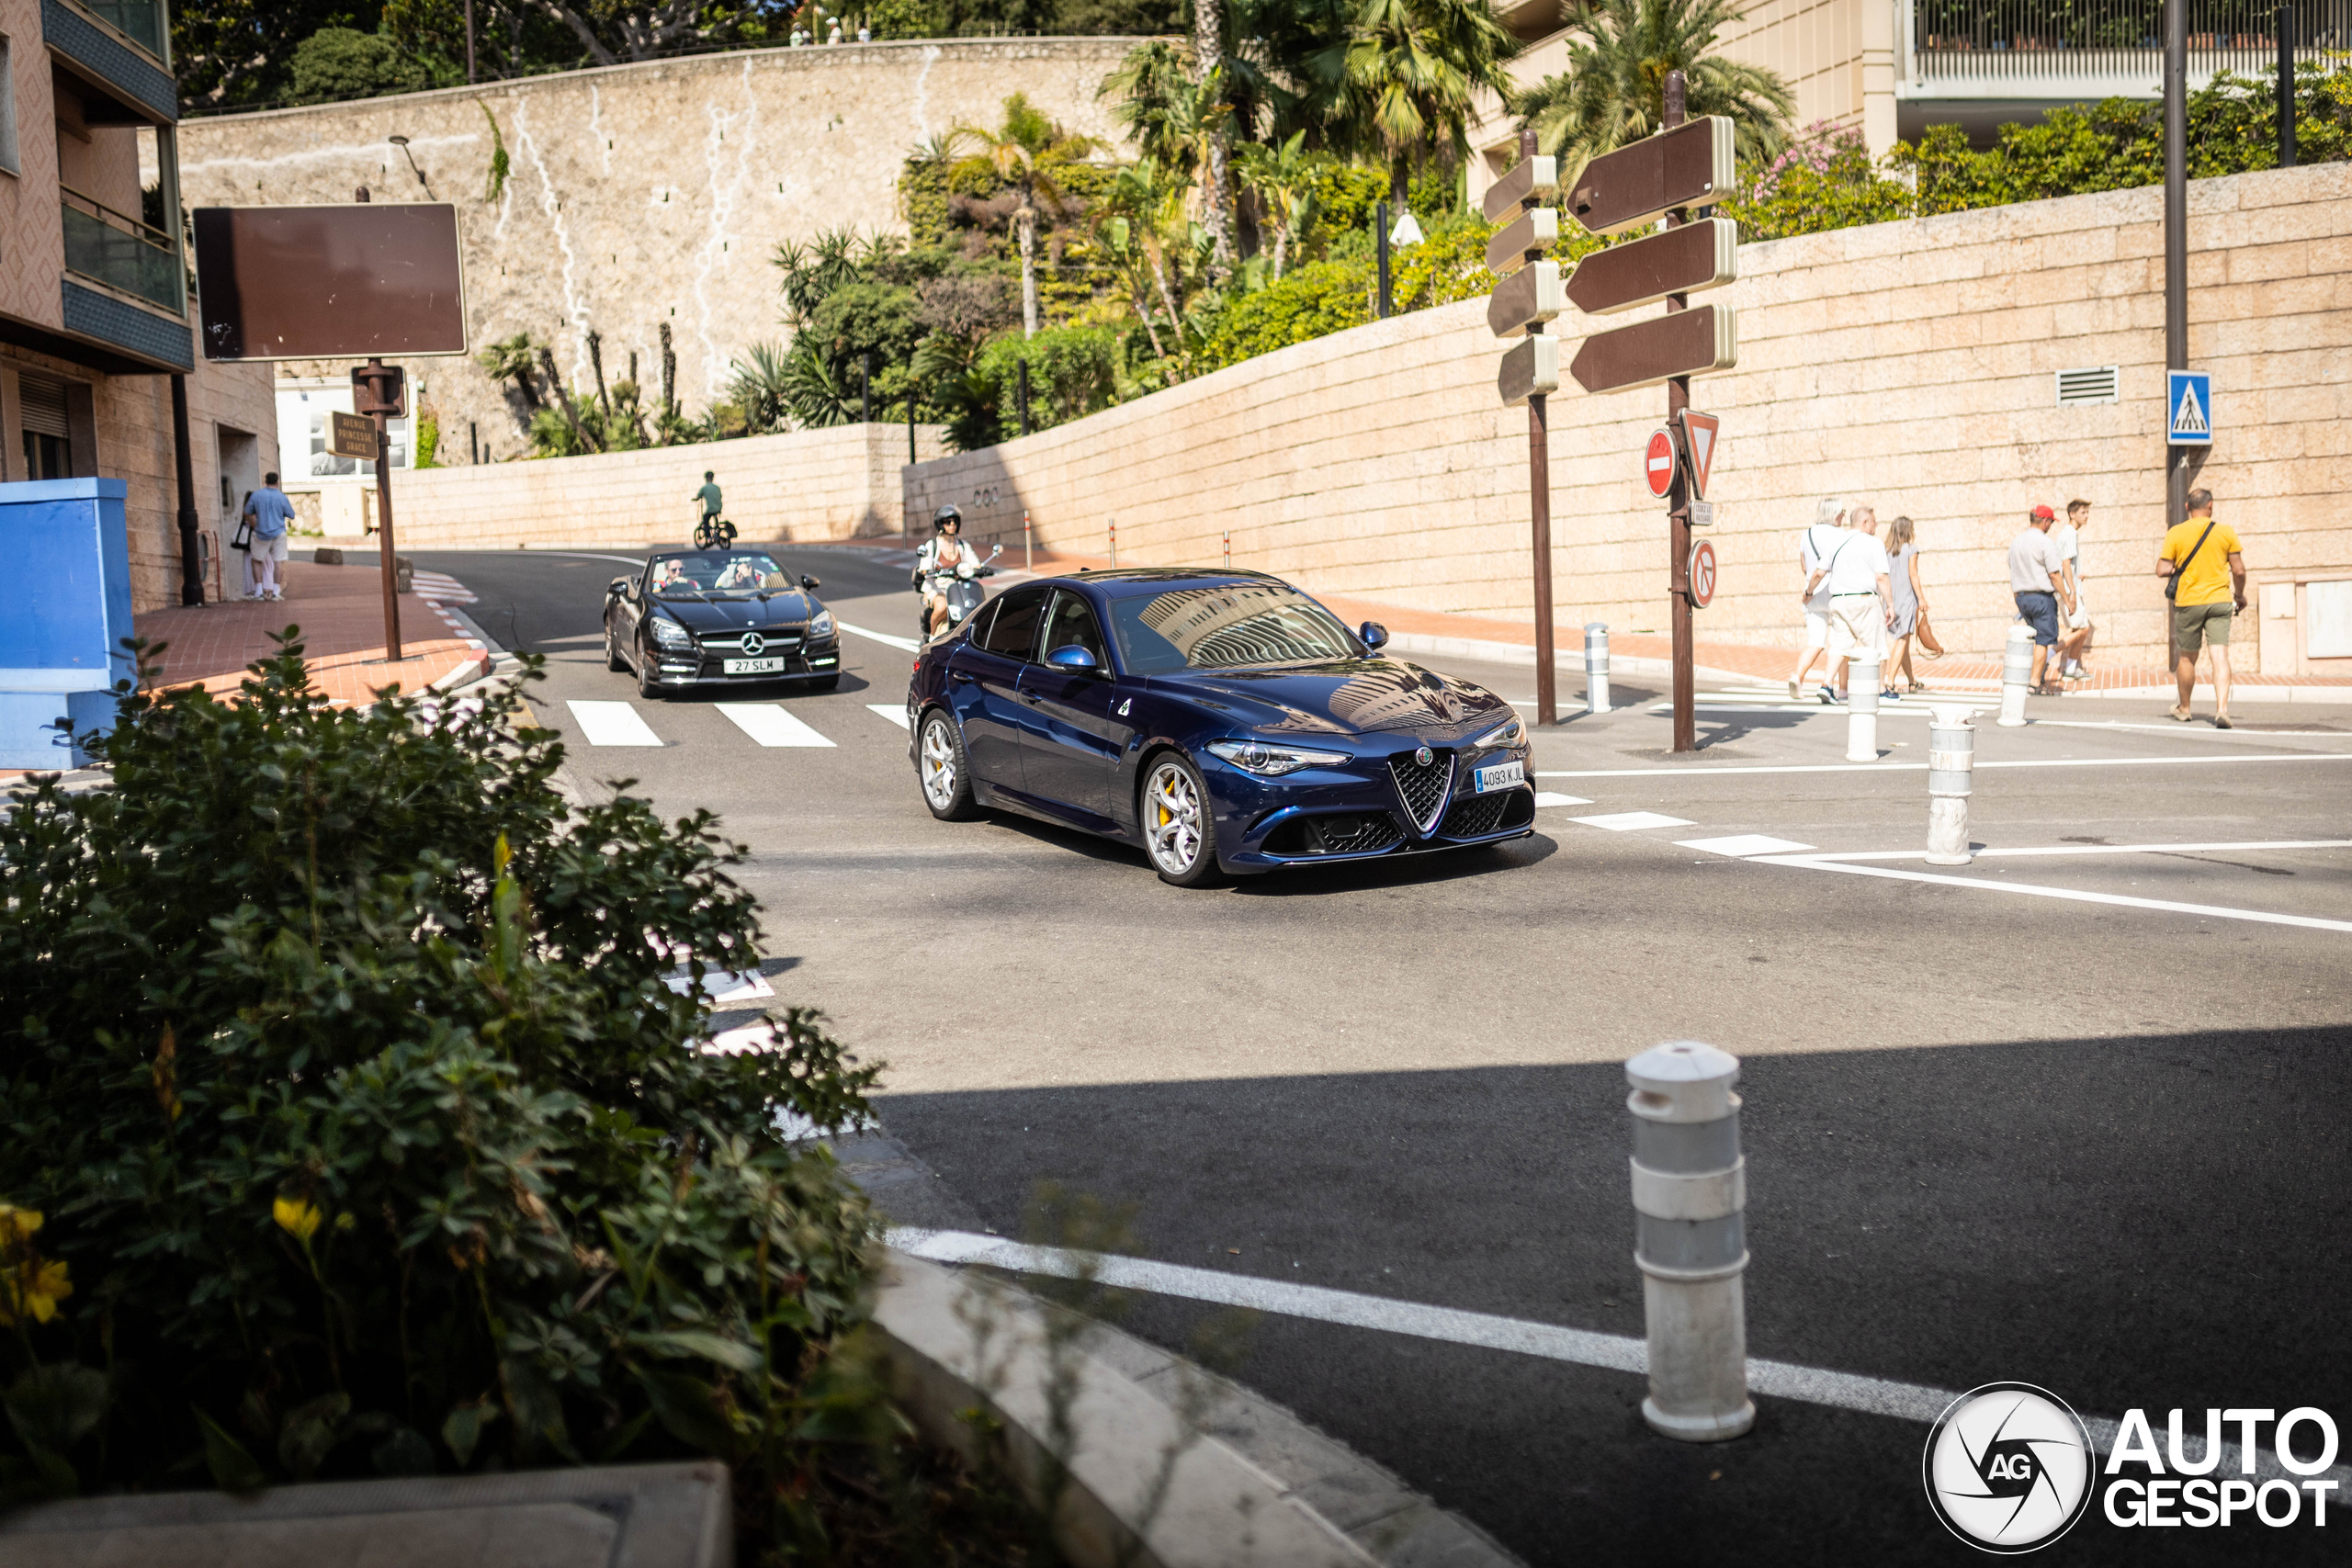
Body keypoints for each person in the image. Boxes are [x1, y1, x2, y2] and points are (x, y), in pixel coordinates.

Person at [2157, 488, 2245, 728]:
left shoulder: (2176, 533)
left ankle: (2185, 708)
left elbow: (2161, 569)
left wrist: (2179, 567)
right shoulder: (2226, 532)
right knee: (2220, 656)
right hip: (2219, 601)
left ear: (2187, 507)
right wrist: (2239, 595)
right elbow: (2238, 570)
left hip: (2189, 603)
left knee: (2187, 657)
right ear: (2211, 505)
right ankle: (2222, 709)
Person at [1804, 504, 1893, 702]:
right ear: (1865, 522)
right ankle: (1881, 689)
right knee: (1877, 645)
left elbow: (1818, 573)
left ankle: (1827, 685)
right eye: (1874, 522)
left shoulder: (1836, 543)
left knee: (1839, 646)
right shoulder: (1874, 543)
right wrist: (1890, 605)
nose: (1875, 526)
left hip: (1839, 602)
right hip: (1864, 601)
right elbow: (1881, 578)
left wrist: (1809, 592)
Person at [2007, 504, 2074, 696]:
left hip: (2022, 597)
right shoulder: (2045, 542)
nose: (2051, 525)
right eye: (2051, 522)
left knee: (2035, 639)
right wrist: (2068, 600)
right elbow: (2054, 574)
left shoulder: (2016, 542)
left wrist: (2017, 598)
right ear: (2045, 521)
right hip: (2041, 598)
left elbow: (2013, 571)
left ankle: (2037, 677)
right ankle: (2035, 682)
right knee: (2043, 640)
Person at [1788, 496, 1849, 703]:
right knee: (1841, 642)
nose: (1843, 516)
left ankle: (1798, 677)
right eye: (1842, 512)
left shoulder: (1807, 534)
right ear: (1834, 513)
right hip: (1835, 593)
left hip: (1811, 594)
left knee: (1815, 641)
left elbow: (1805, 567)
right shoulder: (1841, 534)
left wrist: (1808, 591)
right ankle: (1840, 689)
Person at [914, 506, 976, 637]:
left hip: (960, 587)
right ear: (940, 524)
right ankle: (931, 635)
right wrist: (926, 570)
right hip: (938, 587)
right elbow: (925, 565)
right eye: (948, 522)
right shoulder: (932, 545)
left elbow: (974, 561)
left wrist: (980, 568)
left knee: (977, 605)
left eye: (954, 521)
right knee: (942, 606)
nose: (952, 525)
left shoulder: (963, 545)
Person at [1883, 515, 1928, 695]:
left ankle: (1911, 681)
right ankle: (1890, 682)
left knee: (1903, 642)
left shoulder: (1886, 551)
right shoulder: (1911, 549)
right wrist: (1922, 599)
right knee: (1902, 641)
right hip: (1906, 600)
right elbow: (1913, 574)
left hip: (1890, 601)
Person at [2052, 498, 2094, 681]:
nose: (2086, 516)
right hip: (2070, 591)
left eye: (2087, 512)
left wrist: (2076, 578)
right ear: (2072, 514)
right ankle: (2048, 655)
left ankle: (2070, 668)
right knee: (2081, 629)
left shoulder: (2068, 533)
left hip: (2069, 587)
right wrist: (2073, 592)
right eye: (2083, 513)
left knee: (2081, 628)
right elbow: (2066, 564)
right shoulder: (2070, 533)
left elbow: (2066, 566)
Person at [243, 473, 296, 602]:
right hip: (279, 533)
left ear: (265, 481)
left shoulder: (256, 495)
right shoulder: (281, 497)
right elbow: (291, 514)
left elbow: (247, 512)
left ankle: (259, 591)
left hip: (261, 533)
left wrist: (254, 525)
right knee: (278, 561)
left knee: (256, 560)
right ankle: (275, 591)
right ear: (277, 482)